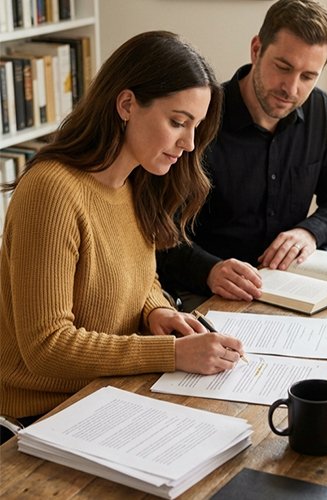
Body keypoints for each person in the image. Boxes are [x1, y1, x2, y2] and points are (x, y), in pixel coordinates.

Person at [0, 31, 246, 444]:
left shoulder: (136, 181)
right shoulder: (52, 192)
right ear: (127, 104)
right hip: (36, 418)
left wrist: (155, 311)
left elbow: (139, 275)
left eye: (195, 127)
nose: (188, 144)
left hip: (105, 397)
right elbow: (47, 345)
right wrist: (171, 353)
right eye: (177, 122)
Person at [156, 0, 327, 310]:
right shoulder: (201, 119)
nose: (291, 89)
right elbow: (157, 230)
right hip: (204, 291)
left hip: (289, 286)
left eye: (308, 76)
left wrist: (309, 232)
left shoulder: (320, 110)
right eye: (283, 67)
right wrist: (209, 270)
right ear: (256, 50)